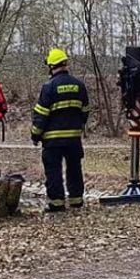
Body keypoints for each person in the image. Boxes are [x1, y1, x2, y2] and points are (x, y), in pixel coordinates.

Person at [31, 48, 89, 212]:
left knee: (53, 171)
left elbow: (41, 114)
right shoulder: (79, 85)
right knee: (74, 169)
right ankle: (76, 200)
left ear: (51, 66)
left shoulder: (49, 87)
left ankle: (57, 204)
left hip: (52, 140)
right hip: (73, 139)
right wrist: (77, 126)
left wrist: (35, 134)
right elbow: (85, 111)